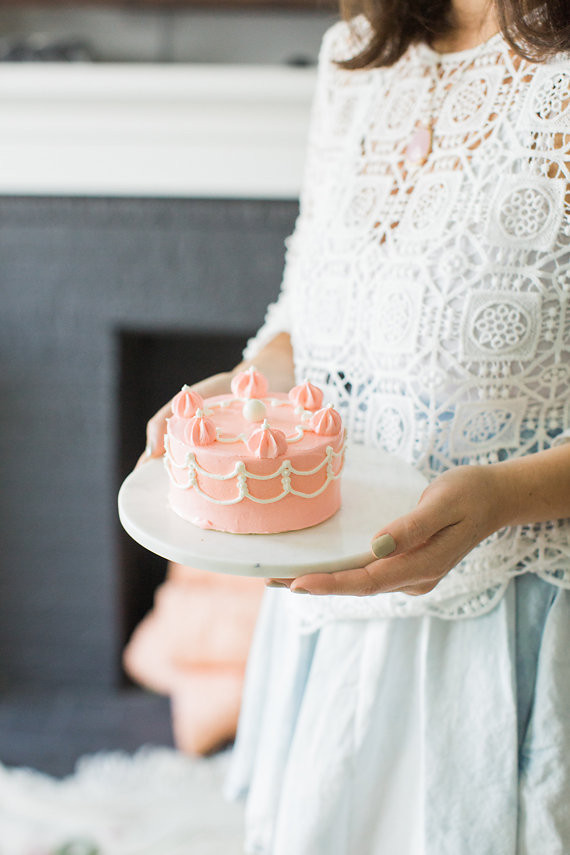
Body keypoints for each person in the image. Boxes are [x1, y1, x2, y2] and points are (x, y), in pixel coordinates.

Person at [139, 0, 570, 851]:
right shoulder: (357, 58)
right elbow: (308, 311)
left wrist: (504, 495)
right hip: (331, 625)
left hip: (515, 635)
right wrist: (249, 393)